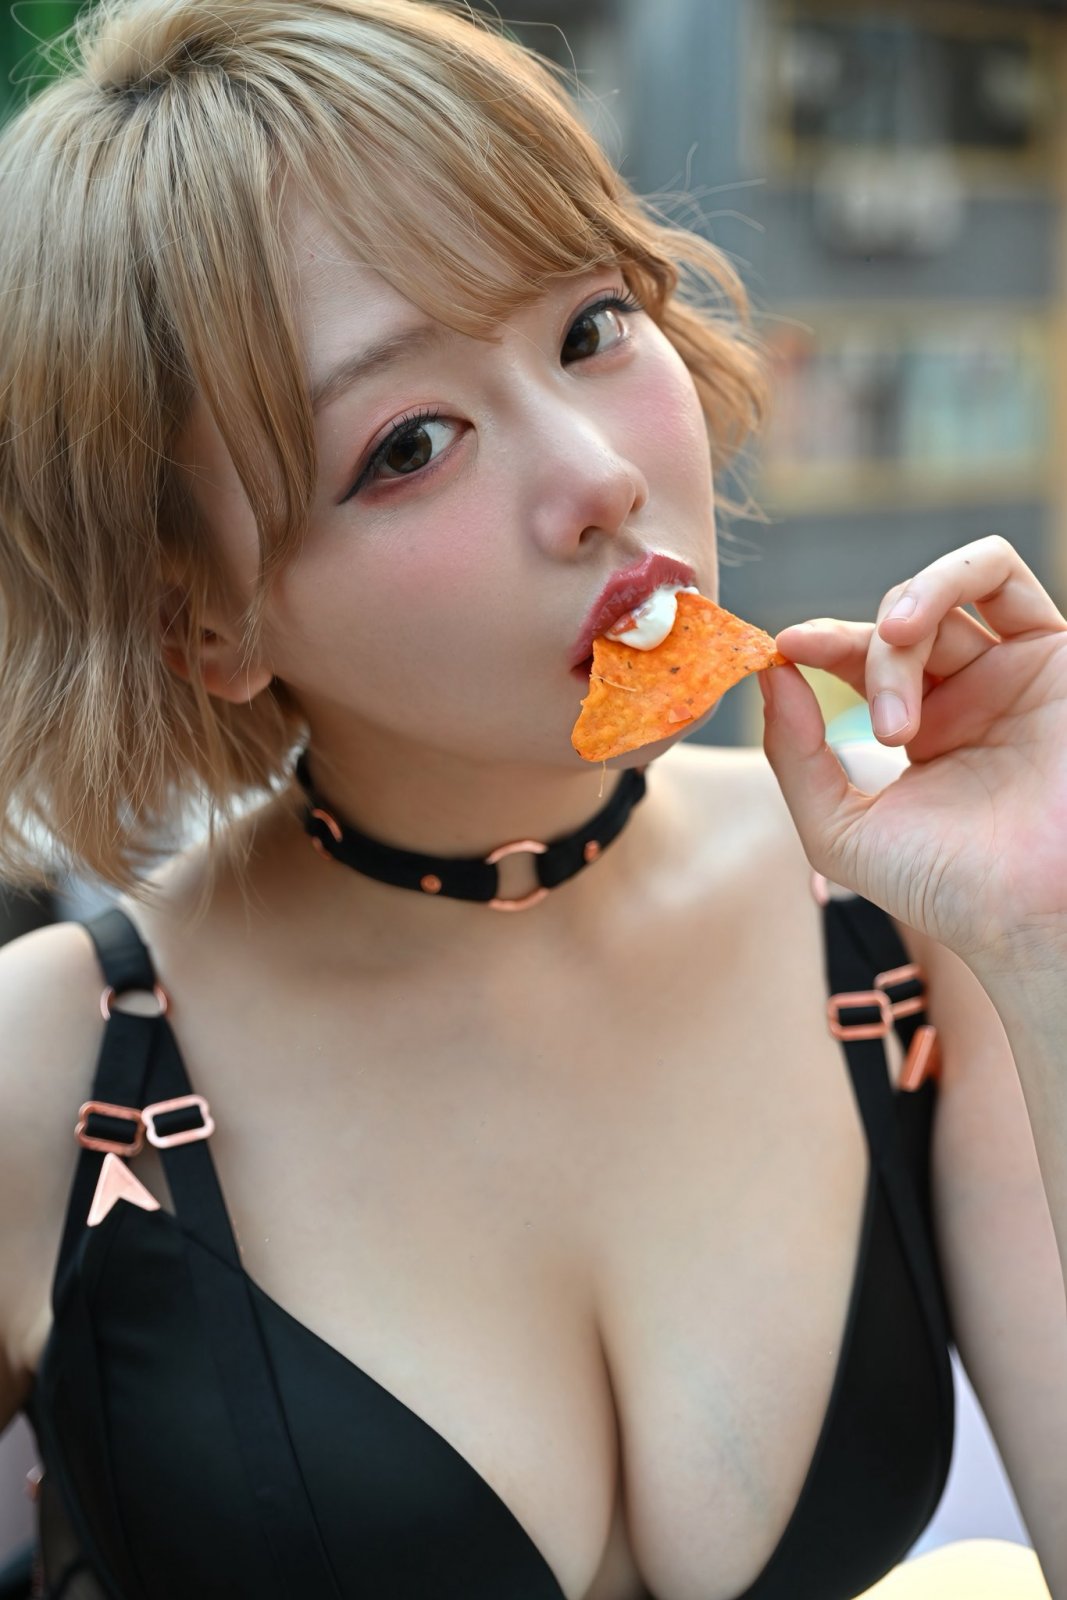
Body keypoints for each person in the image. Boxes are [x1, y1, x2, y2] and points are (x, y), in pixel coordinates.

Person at [0, 2, 1064, 1597]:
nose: (597, 477)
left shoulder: (904, 932)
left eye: (591, 326)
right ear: (200, 621)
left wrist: (1047, 931)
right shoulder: (53, 1068)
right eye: (410, 443)